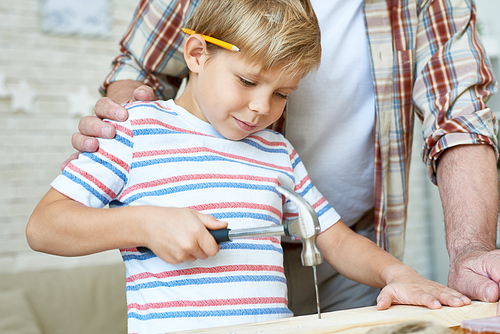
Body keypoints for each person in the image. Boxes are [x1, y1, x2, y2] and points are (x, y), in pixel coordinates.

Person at [27, 0, 472, 332]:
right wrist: (143, 224)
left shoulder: (277, 152)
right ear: (197, 55)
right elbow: (45, 226)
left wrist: (401, 274)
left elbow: (334, 238)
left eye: (282, 93)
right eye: (247, 81)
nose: (263, 108)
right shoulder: (132, 129)